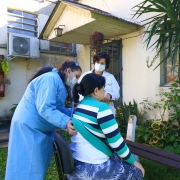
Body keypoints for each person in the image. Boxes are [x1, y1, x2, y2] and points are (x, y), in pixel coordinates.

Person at [5, 60, 82, 180]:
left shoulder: (59, 83)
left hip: (39, 129)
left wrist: (78, 111)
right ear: (68, 71)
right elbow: (45, 109)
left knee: (36, 168)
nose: (76, 80)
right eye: (77, 76)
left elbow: (58, 110)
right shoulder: (50, 79)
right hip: (29, 127)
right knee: (25, 167)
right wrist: (66, 122)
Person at [67, 73, 145, 180]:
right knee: (136, 172)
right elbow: (116, 143)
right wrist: (134, 162)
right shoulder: (101, 109)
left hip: (74, 165)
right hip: (92, 168)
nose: (104, 91)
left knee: (119, 159)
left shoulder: (79, 107)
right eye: (103, 88)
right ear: (96, 91)